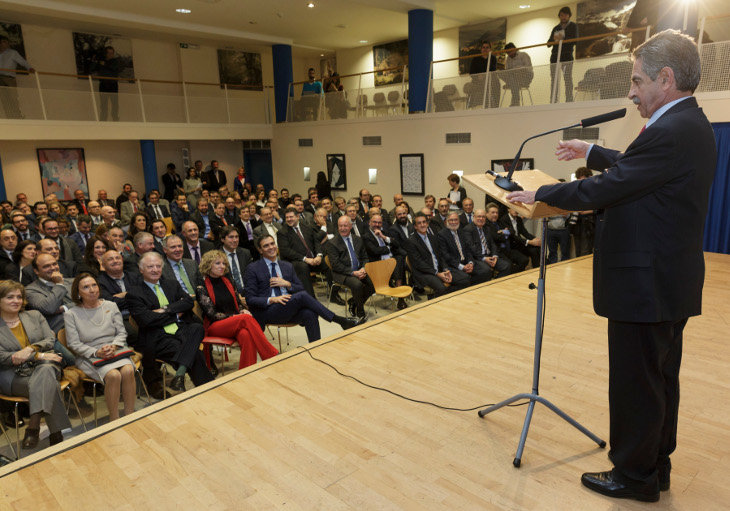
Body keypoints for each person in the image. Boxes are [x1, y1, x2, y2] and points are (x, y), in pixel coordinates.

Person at [506, 30, 716, 502]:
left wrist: (541, 193)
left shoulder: (669, 131)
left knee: (636, 386)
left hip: (645, 286)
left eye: (638, 80)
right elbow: (638, 168)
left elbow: (609, 187)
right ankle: (654, 466)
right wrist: (591, 152)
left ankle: (634, 475)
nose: (631, 91)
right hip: (665, 282)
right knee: (658, 380)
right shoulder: (687, 125)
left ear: (666, 79)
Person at [244, 235, 364, 343]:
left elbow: (299, 287)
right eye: (266, 246)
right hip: (269, 311)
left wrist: (288, 284)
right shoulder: (253, 268)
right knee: (302, 296)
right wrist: (272, 299)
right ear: (260, 250)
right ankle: (340, 321)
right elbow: (250, 299)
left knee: (310, 313)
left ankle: (316, 347)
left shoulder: (287, 266)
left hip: (289, 307)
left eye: (272, 243)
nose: (271, 247)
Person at [127, 252, 214, 394]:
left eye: (158, 266)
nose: (155, 270)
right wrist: (175, 313)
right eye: (150, 267)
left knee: (197, 327)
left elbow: (187, 302)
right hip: (158, 336)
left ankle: (180, 377)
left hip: (181, 329)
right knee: (194, 354)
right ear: (141, 269)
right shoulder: (134, 293)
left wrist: (165, 309)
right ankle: (207, 390)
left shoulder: (172, 284)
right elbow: (146, 320)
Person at [0, 280, 71, 449]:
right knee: (48, 380)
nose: (16, 301)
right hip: (13, 376)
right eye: (10, 297)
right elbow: (2, 357)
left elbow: (49, 339)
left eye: (19, 296)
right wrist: (38, 355)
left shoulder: (34, 315)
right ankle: (55, 431)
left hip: (46, 365)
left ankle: (33, 426)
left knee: (45, 371)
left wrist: (32, 348)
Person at [64, 273, 136, 421]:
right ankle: (114, 419)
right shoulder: (71, 314)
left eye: (94, 285)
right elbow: (73, 344)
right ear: (78, 292)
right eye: (85, 287)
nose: (92, 290)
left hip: (115, 350)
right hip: (89, 355)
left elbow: (121, 332)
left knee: (128, 370)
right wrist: (96, 351)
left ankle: (130, 415)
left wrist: (114, 346)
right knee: (113, 375)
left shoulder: (111, 305)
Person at [196, 250, 278, 369]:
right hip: (215, 326)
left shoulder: (228, 281)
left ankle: (247, 371)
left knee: (246, 335)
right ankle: (271, 354)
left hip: (235, 322)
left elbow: (237, 303)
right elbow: (212, 314)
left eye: (224, 263)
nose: (222, 266)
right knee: (245, 319)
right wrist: (236, 317)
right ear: (208, 265)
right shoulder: (201, 287)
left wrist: (241, 310)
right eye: (218, 263)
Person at [324, 216, 374, 318]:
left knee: (374, 282)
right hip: (341, 273)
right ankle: (360, 312)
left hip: (359, 270)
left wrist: (363, 268)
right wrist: (353, 273)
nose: (343, 228)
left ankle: (354, 302)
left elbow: (365, 257)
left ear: (351, 226)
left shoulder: (358, 240)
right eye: (340, 226)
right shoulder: (332, 243)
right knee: (357, 284)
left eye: (345, 225)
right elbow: (336, 265)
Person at [548, 6, 578, 103]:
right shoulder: (556, 28)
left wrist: (561, 37)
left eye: (565, 15)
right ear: (559, 16)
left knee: (567, 78)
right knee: (554, 80)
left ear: (569, 16)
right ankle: (553, 100)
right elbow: (549, 43)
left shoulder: (573, 26)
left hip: (567, 56)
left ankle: (569, 99)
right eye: (561, 15)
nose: (563, 17)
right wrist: (557, 38)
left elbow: (575, 40)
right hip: (555, 57)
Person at [0, 36, 34, 119]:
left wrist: (29, 68)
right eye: (4, 41)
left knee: (13, 98)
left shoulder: (13, 53)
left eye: (7, 42)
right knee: (4, 99)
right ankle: (9, 117)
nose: (7, 43)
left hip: (9, 78)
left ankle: (17, 117)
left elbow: (22, 61)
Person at [94, 46, 122, 122]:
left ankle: (115, 120)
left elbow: (114, 68)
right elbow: (96, 69)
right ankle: (102, 121)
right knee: (103, 105)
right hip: (103, 85)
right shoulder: (100, 62)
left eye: (112, 53)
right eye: (109, 53)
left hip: (113, 85)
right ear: (105, 53)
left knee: (115, 104)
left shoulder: (115, 61)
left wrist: (104, 64)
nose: (110, 55)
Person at [468, 41, 498, 109]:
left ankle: (494, 105)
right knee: (479, 87)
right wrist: (478, 76)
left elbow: (492, 70)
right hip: (477, 81)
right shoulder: (475, 58)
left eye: (487, 47)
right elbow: (471, 72)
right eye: (483, 47)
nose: (485, 49)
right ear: (481, 49)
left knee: (497, 83)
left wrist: (484, 76)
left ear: (490, 49)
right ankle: (475, 105)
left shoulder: (493, 58)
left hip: (490, 80)